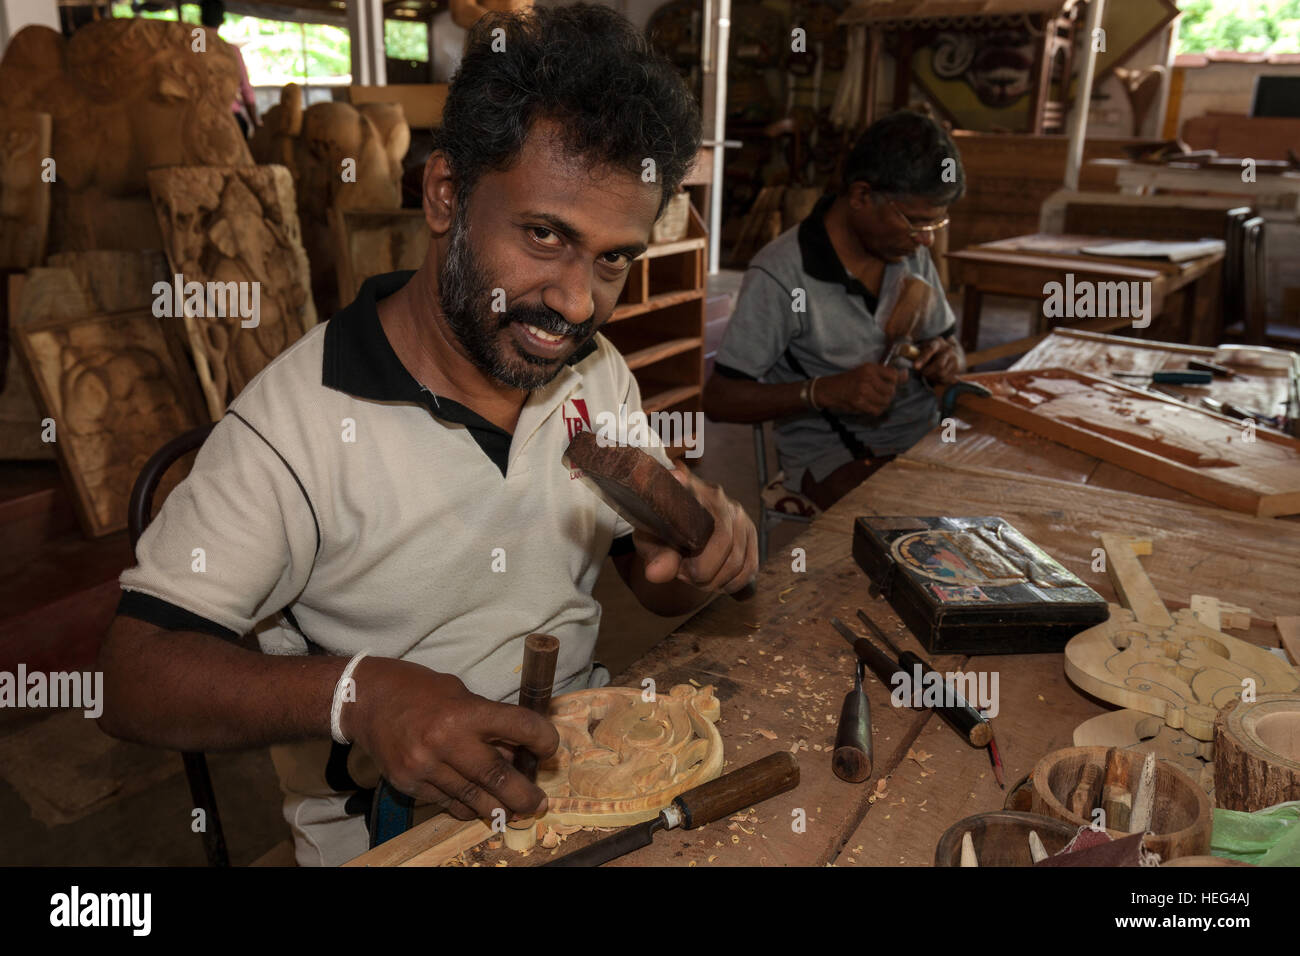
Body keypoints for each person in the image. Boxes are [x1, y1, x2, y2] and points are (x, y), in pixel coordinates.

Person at [97, 3, 755, 867]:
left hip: (582, 779)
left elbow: (652, 579)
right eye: (545, 234)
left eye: (612, 259)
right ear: (444, 194)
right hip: (397, 833)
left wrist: (703, 553)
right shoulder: (293, 426)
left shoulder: (596, 376)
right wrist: (359, 697)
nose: (575, 302)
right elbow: (130, 675)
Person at [703, 110, 967, 510]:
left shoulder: (905, 249)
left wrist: (947, 358)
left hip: (927, 438)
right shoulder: (781, 275)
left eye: (936, 224)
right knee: (916, 530)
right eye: (916, 223)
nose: (928, 240)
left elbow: (945, 341)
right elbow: (719, 400)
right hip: (837, 456)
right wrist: (822, 391)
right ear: (861, 196)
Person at [200, 0, 259, 138]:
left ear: (201, 17)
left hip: (203, 118)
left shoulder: (196, 48)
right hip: (230, 117)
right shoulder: (231, 50)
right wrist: (255, 122)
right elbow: (246, 90)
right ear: (222, 20)